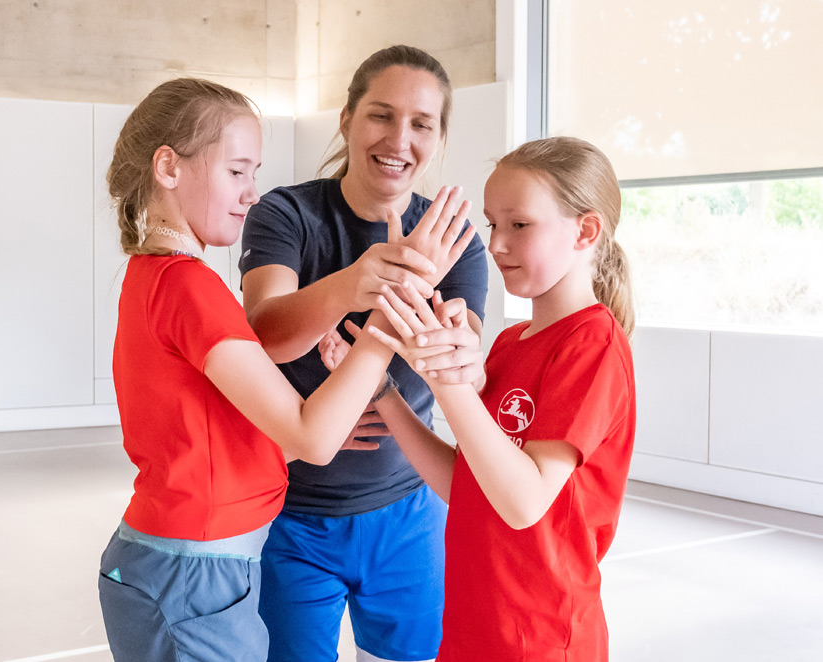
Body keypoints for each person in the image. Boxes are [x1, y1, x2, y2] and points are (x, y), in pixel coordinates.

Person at [96, 77, 468, 662]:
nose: (251, 192)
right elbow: (312, 438)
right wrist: (393, 309)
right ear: (168, 166)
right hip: (194, 572)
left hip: (180, 560)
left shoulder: (157, 275)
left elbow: (215, 433)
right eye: (237, 171)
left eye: (254, 172)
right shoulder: (191, 286)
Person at [238, 45, 486, 662]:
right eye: (381, 115)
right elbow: (265, 334)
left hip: (408, 516)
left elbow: (464, 361)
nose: (399, 138)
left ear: (439, 139)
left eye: (421, 123)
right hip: (291, 516)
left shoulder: (455, 241)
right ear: (346, 119)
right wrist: (358, 281)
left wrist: (444, 329)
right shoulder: (286, 212)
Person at [361, 136, 636, 661]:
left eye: (519, 225)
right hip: (475, 624)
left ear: (585, 230)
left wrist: (446, 378)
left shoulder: (593, 345)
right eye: (492, 224)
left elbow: (523, 502)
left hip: (542, 637)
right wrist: (386, 395)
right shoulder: (511, 344)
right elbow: (468, 484)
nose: (496, 243)